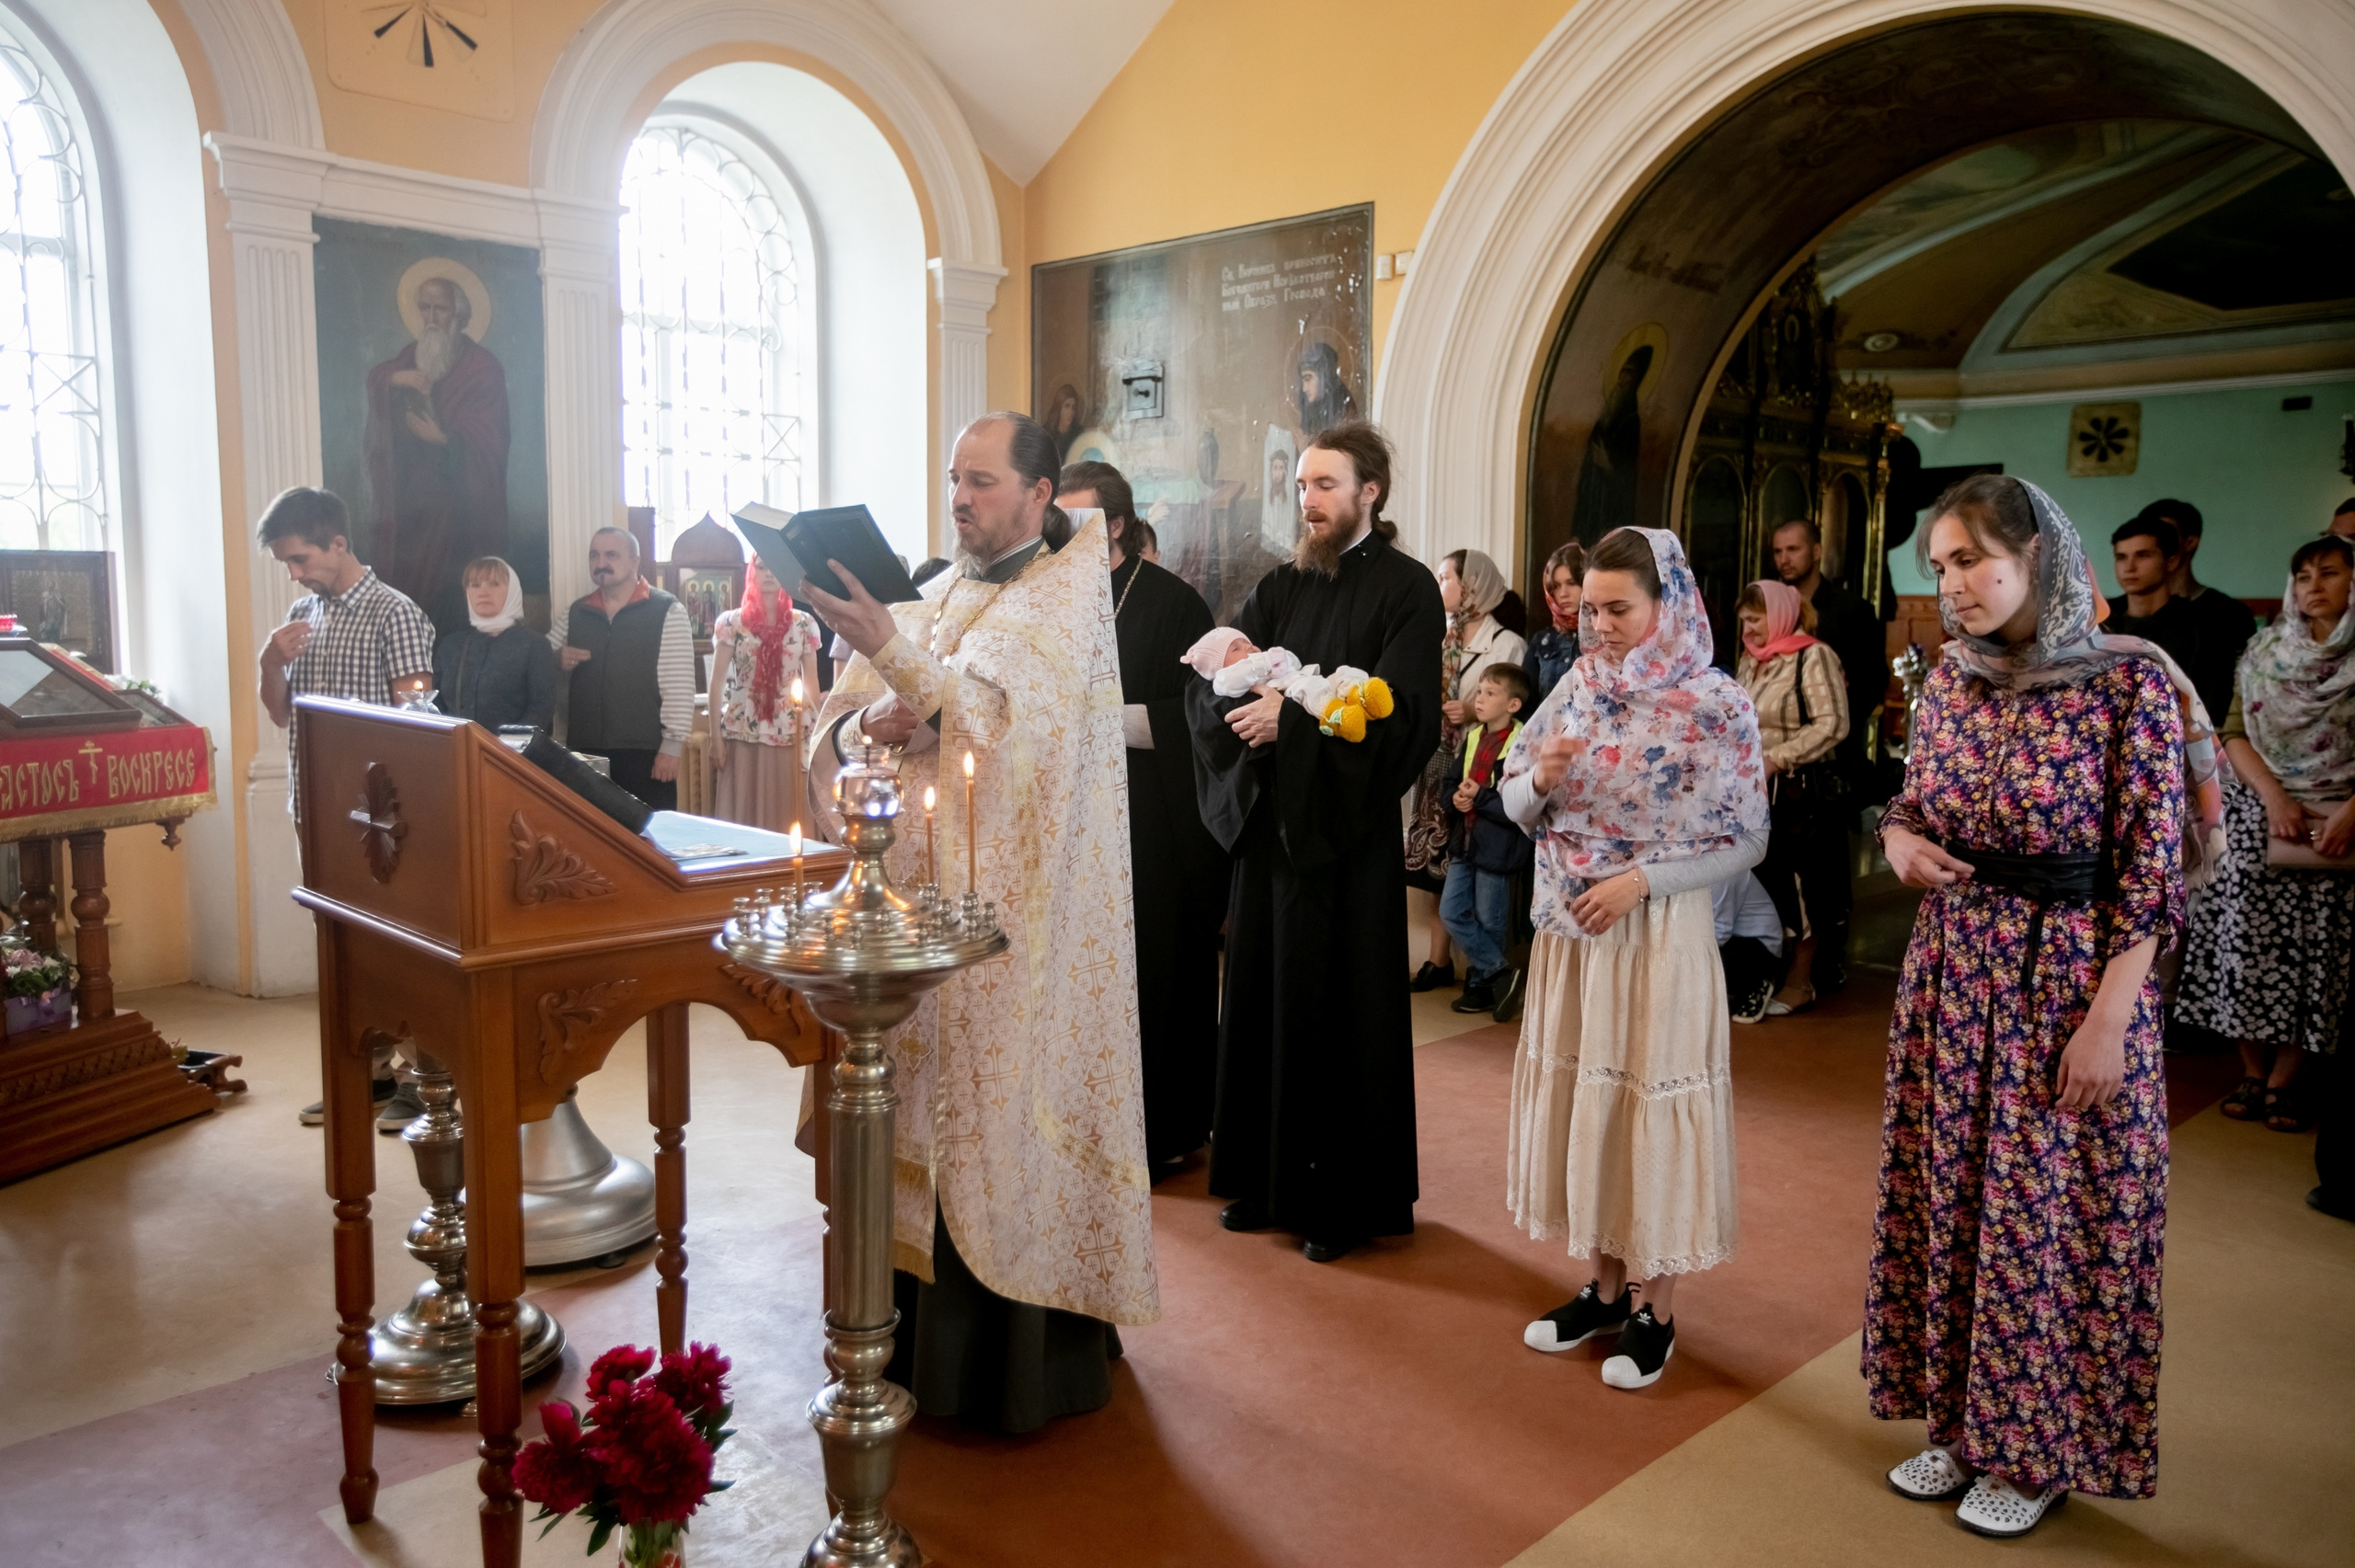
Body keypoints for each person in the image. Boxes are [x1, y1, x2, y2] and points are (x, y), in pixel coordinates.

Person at [1870, 474, 2211, 1537]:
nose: (1955, 585)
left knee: (2045, 1214)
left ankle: (2036, 1449)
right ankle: (1960, 1425)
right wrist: (1896, 840)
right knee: (1953, 1194)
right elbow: (1913, 801)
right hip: (1953, 973)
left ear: (2039, 555)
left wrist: (2111, 1017)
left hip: (2067, 976)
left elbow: (2152, 872)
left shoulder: (2129, 686)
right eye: (1939, 568)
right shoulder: (1951, 681)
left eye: (1971, 559)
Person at [802, 411, 1156, 1433]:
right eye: (954, 479)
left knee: (987, 1122)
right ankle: (892, 1336)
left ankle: (1002, 1373)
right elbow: (856, 706)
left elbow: (1009, 734)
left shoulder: (1066, 599)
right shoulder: (942, 587)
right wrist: (861, 714)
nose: (961, 499)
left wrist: (899, 664)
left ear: (1041, 494)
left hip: (1008, 932)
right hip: (903, 910)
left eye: (984, 481)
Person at [1505, 526, 1768, 1391]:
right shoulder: (1581, 682)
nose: (1602, 625)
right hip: (1576, 935)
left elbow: (1749, 840)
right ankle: (1606, 1287)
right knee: (1597, 1102)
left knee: (1652, 1102)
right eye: (1590, 608)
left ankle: (1658, 1306)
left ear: (1671, 604)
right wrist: (1540, 778)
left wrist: (1643, 880)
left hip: (1658, 933)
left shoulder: (1717, 702)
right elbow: (1515, 800)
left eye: (1619, 608)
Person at [1187, 421, 1444, 1264]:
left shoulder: (1409, 590)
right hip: (1275, 841)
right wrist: (1247, 711)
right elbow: (1226, 674)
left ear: (1371, 490)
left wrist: (1290, 724)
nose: (1309, 500)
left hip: (1346, 840)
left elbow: (1403, 715)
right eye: (1301, 486)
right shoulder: (1284, 581)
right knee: (1263, 1001)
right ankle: (1266, 1182)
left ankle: (1340, 1200)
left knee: (1341, 1013)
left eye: (1325, 484)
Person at [1057, 458, 1224, 1172]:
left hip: (1151, 823)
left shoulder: (1172, 602)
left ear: (1116, 524)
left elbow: (1202, 716)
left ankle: (1157, 1137)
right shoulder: (1048, 596)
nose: (1061, 535)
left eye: (1079, 520)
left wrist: (1104, 720)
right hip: (1068, 817)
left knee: (1149, 972)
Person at [255, 486, 437, 1132]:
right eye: (287, 564)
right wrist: (271, 659)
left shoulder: (395, 613)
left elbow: (416, 719)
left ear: (338, 542)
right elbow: (279, 710)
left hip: (377, 813)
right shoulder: (304, 612)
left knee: (400, 944)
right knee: (340, 945)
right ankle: (369, 1071)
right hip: (315, 806)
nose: (295, 573)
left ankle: (422, 1078)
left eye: (301, 558)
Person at [2176, 534, 2355, 1131]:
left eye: (2328, 572)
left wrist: (2349, 811)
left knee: (2317, 954)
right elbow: (2232, 730)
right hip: (2259, 814)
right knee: (2241, 945)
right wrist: (2273, 795)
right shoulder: (2266, 649)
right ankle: (2252, 1072)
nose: (2313, 585)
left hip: (2340, 819)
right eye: (2302, 574)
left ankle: (2286, 1080)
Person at [1770, 517, 1883, 991]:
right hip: (1782, 765)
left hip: (1831, 759)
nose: (1785, 559)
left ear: (1816, 551)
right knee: (1786, 869)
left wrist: (1825, 711)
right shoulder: (1774, 606)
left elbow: (1871, 682)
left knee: (1828, 866)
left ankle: (1830, 959)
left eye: (1793, 549)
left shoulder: (1849, 609)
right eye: (1778, 552)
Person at [1406, 549, 1526, 991]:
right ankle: (1438, 960)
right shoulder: (1443, 636)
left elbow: (1507, 707)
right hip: (1437, 757)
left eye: (1446, 578)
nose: (1441, 588)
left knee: (1467, 859)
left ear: (1471, 585)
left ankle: (1486, 971)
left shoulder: (1505, 642)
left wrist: (1470, 715)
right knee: (1436, 862)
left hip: (1476, 758)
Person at [363, 274, 511, 630]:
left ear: (458, 314)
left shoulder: (482, 367)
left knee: (448, 595)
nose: (431, 317)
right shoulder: (411, 356)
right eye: (424, 308)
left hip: (460, 506)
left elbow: (490, 441)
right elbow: (379, 377)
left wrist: (443, 440)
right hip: (412, 501)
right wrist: (399, 380)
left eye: (440, 309)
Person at [1734, 579, 1848, 1014]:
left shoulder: (1812, 655)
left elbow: (1833, 724)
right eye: (1744, 619)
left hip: (1798, 791)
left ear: (1781, 614)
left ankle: (1801, 982)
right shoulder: (1751, 661)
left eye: (1756, 618)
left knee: (1802, 884)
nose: (1749, 627)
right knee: (1766, 880)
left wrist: (1776, 758)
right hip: (1753, 791)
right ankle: (1768, 973)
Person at [549, 527, 694, 811]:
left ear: (635, 562)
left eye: (611, 555)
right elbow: (537, 660)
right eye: (594, 555)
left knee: (646, 843)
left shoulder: (666, 610)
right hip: (585, 752)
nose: (601, 562)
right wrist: (555, 658)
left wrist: (672, 746)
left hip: (646, 753)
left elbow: (679, 685)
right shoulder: (576, 612)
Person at [1441, 662, 1534, 1017]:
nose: (1479, 700)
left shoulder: (1522, 743)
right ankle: (1502, 973)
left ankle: (1482, 988)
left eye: (1489, 694)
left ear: (1512, 705)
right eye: (1479, 691)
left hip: (1498, 846)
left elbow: (1520, 804)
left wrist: (1478, 797)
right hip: (1465, 841)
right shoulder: (1473, 736)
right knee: (1452, 911)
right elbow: (1452, 782)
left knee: (1490, 919)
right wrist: (1456, 799)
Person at [704, 560, 821, 831]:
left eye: (774, 566)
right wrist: (714, 738)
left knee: (790, 806)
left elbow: (811, 682)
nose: (769, 573)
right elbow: (717, 683)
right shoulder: (732, 622)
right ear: (751, 572)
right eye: (762, 566)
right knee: (745, 802)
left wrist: (815, 731)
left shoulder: (804, 624)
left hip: (792, 725)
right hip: (744, 724)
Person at [2138, 498, 2257, 727]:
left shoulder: (2228, 614)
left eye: (2164, 534)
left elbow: (2236, 692)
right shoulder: (2116, 614)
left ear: (2190, 542)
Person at [432, 555, 555, 733]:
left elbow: (541, 709)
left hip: (510, 756)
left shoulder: (534, 646)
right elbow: (436, 705)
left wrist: (506, 749)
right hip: (455, 752)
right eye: (475, 585)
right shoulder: (451, 646)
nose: (483, 592)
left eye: (494, 584)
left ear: (513, 591)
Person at [1713, 869, 1784, 1024]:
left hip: (1759, 947)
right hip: (1735, 939)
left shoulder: (1725, 871)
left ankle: (1760, 983)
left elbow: (1720, 931)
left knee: (1699, 959)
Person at [1522, 540, 1585, 701]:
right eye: (1556, 586)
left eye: (1571, 583)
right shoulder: (1542, 641)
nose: (1563, 593)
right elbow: (1525, 701)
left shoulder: (1605, 636)